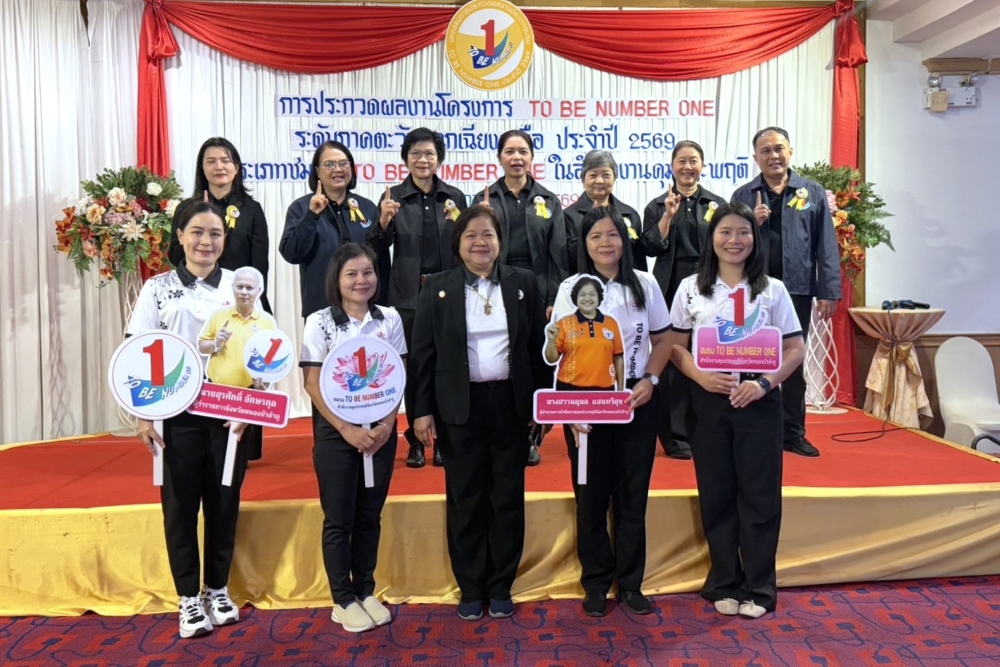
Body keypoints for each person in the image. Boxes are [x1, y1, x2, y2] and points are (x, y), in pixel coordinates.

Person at [410, 206, 550, 621]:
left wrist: (541, 404)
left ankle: (501, 584)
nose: (480, 243)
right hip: (459, 406)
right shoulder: (438, 287)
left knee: (507, 496)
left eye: (488, 234)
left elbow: (536, 349)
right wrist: (421, 411)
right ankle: (471, 586)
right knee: (465, 496)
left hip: (510, 404)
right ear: (458, 243)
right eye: (470, 235)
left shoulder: (523, 282)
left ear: (500, 241)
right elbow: (422, 354)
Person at [667, 201, 805, 618]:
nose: (734, 240)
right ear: (711, 238)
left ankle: (759, 588)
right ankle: (724, 582)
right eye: (725, 231)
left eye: (743, 232)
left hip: (758, 400)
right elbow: (674, 346)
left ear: (754, 238)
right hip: (708, 401)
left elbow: (795, 348)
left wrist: (763, 384)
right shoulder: (691, 288)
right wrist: (700, 376)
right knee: (717, 492)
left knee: (760, 495)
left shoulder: (772, 289)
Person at [129, 201, 247, 639]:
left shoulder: (241, 285)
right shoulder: (157, 288)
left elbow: (263, 348)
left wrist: (252, 404)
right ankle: (187, 598)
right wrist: (144, 415)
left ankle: (217, 588)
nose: (206, 241)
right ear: (179, 236)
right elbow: (137, 350)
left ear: (224, 240)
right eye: (196, 231)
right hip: (174, 412)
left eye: (215, 233)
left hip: (228, 411)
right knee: (180, 507)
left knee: (224, 502)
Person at [552, 207, 672, 618]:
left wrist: (650, 380)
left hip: (635, 400)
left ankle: (631, 582)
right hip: (585, 401)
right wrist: (567, 407)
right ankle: (596, 582)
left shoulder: (645, 283)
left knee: (632, 495)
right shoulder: (570, 287)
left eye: (613, 235)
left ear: (625, 238)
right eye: (595, 237)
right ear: (584, 245)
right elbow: (558, 351)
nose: (605, 243)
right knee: (590, 496)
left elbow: (664, 340)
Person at [299, 243, 406, 633]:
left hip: (380, 432)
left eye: (368, 272)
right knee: (339, 518)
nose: (362, 280)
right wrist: (346, 429)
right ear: (337, 279)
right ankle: (342, 599)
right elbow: (312, 383)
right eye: (352, 274)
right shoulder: (320, 321)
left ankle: (365, 589)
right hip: (336, 433)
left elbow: (397, 377)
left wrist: (387, 426)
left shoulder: (389, 318)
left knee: (369, 516)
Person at [731, 127, 840, 457]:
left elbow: (825, 244)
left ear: (790, 152)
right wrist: (752, 222)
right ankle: (754, 431)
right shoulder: (743, 195)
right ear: (756, 158)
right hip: (755, 291)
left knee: (792, 361)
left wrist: (829, 290)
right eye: (765, 151)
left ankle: (793, 433)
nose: (773, 156)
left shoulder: (812, 191)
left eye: (779, 149)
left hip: (797, 290)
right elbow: (730, 244)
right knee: (753, 359)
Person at [366, 127, 468, 470]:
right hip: (408, 298)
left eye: (429, 154)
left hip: (447, 295)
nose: (423, 159)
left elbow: (465, 246)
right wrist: (383, 223)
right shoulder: (393, 197)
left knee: (445, 366)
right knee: (413, 369)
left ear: (439, 159)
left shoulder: (454, 197)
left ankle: (442, 440)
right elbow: (374, 249)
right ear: (406, 159)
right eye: (416, 153)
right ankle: (415, 441)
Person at [641, 140, 727, 461]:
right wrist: (668, 215)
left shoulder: (717, 205)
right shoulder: (656, 205)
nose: (688, 167)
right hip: (670, 286)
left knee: (706, 355)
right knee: (672, 360)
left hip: (708, 285)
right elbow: (650, 247)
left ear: (702, 166)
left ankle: (705, 426)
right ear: (672, 166)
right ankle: (674, 436)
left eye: (693, 161)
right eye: (682, 161)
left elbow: (726, 244)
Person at [279, 141, 384, 319]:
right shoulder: (301, 208)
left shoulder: (366, 207)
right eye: (329, 164)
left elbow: (379, 258)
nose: (338, 169)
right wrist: (311, 216)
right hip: (321, 306)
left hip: (363, 307)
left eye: (343, 163)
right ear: (317, 171)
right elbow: (291, 254)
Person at [168, 137, 271, 315]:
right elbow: (175, 255)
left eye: (225, 161)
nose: (219, 167)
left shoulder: (252, 209)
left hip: (237, 298)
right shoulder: (186, 208)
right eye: (211, 161)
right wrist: (200, 219)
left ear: (236, 168)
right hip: (194, 300)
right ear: (202, 168)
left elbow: (259, 265)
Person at [472, 129, 568, 313]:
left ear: (532, 157)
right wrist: (480, 219)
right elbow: (472, 250)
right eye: (509, 152)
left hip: (538, 288)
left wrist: (554, 299)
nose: (517, 157)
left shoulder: (549, 200)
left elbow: (557, 254)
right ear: (499, 158)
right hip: (494, 288)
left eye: (523, 152)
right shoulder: (483, 200)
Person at [198, 267, 276, 461]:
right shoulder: (219, 315)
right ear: (232, 288)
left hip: (248, 396)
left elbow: (271, 360)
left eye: (249, 288)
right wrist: (216, 343)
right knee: (213, 452)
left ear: (259, 291)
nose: (243, 292)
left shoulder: (267, 321)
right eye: (239, 287)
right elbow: (202, 346)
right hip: (217, 393)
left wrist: (264, 384)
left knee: (239, 456)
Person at [563, 150, 645, 274]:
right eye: (593, 175)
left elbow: (639, 260)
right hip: (585, 283)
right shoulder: (567, 216)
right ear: (583, 180)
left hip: (623, 282)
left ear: (614, 178)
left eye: (606, 175)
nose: (600, 181)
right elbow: (567, 258)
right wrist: (591, 222)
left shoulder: (629, 214)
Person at [543, 275, 625, 392]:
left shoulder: (611, 323)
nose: (587, 298)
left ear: (599, 297)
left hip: (605, 389)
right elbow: (551, 359)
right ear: (575, 298)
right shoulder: (564, 323)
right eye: (582, 294)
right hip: (568, 388)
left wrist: (621, 390)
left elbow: (618, 357)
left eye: (592, 294)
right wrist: (551, 340)